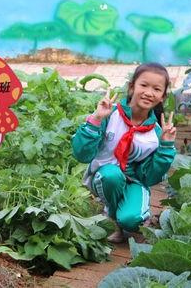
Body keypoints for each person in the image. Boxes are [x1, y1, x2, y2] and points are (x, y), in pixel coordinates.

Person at [71, 63, 177, 243]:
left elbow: (150, 177)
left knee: (131, 220)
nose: (149, 92)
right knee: (111, 175)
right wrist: (96, 119)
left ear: (162, 97)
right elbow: (82, 154)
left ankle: (124, 217)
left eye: (156, 89)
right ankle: (111, 217)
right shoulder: (110, 115)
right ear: (131, 87)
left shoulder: (156, 133)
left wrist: (166, 147)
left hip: (134, 181)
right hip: (105, 176)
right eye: (144, 85)